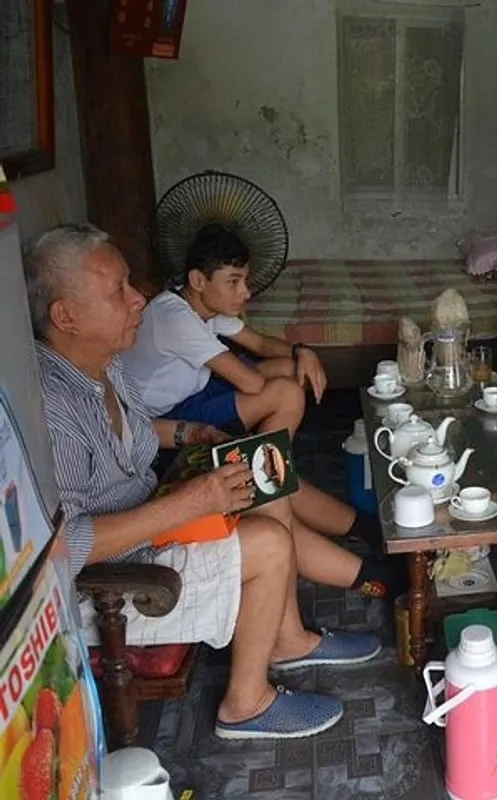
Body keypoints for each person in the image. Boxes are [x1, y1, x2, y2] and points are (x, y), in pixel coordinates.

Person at [27, 224, 383, 740]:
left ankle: (289, 638)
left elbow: (131, 430)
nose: (137, 299)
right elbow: (65, 545)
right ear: (66, 316)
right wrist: (192, 501)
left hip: (149, 519)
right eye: (118, 290)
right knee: (267, 542)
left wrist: (185, 433)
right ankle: (245, 704)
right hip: (119, 578)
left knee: (262, 476)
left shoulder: (102, 367)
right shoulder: (52, 408)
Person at [123, 222, 326, 437]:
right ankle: (258, 457)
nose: (246, 293)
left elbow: (260, 343)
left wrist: (301, 351)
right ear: (198, 280)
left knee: (292, 368)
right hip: (163, 418)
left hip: (194, 392)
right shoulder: (176, 319)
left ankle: (250, 440)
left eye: (244, 281)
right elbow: (252, 384)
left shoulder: (202, 304)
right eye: (233, 282)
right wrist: (255, 378)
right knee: (288, 393)